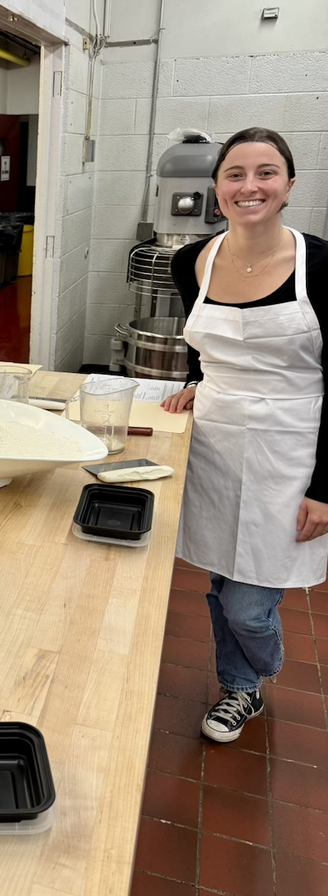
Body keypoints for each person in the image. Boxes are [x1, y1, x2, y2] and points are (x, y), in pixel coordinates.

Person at [161, 126, 328, 744]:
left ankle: (260, 668)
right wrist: (196, 382)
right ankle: (241, 689)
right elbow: (209, 346)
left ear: (288, 186)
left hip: (292, 451)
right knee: (221, 576)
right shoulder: (192, 262)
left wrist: (327, 488)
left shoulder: (323, 264)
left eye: (265, 173)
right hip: (216, 443)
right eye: (235, 174)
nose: (249, 186)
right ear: (217, 187)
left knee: (248, 604)